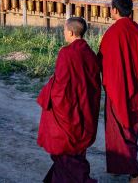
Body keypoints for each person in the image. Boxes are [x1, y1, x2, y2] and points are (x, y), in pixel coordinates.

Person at [37, 17, 101, 183]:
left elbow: (61, 86)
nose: (63, 33)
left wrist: (48, 93)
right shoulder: (90, 52)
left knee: (62, 146)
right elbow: (93, 84)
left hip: (68, 110)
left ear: (71, 32)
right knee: (75, 149)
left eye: (64, 30)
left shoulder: (66, 53)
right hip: (85, 107)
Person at [98, 0, 138, 183]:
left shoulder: (113, 33)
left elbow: (102, 61)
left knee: (119, 131)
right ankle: (118, 165)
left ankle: (136, 173)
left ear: (114, 10)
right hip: (135, 89)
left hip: (116, 90)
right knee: (131, 129)